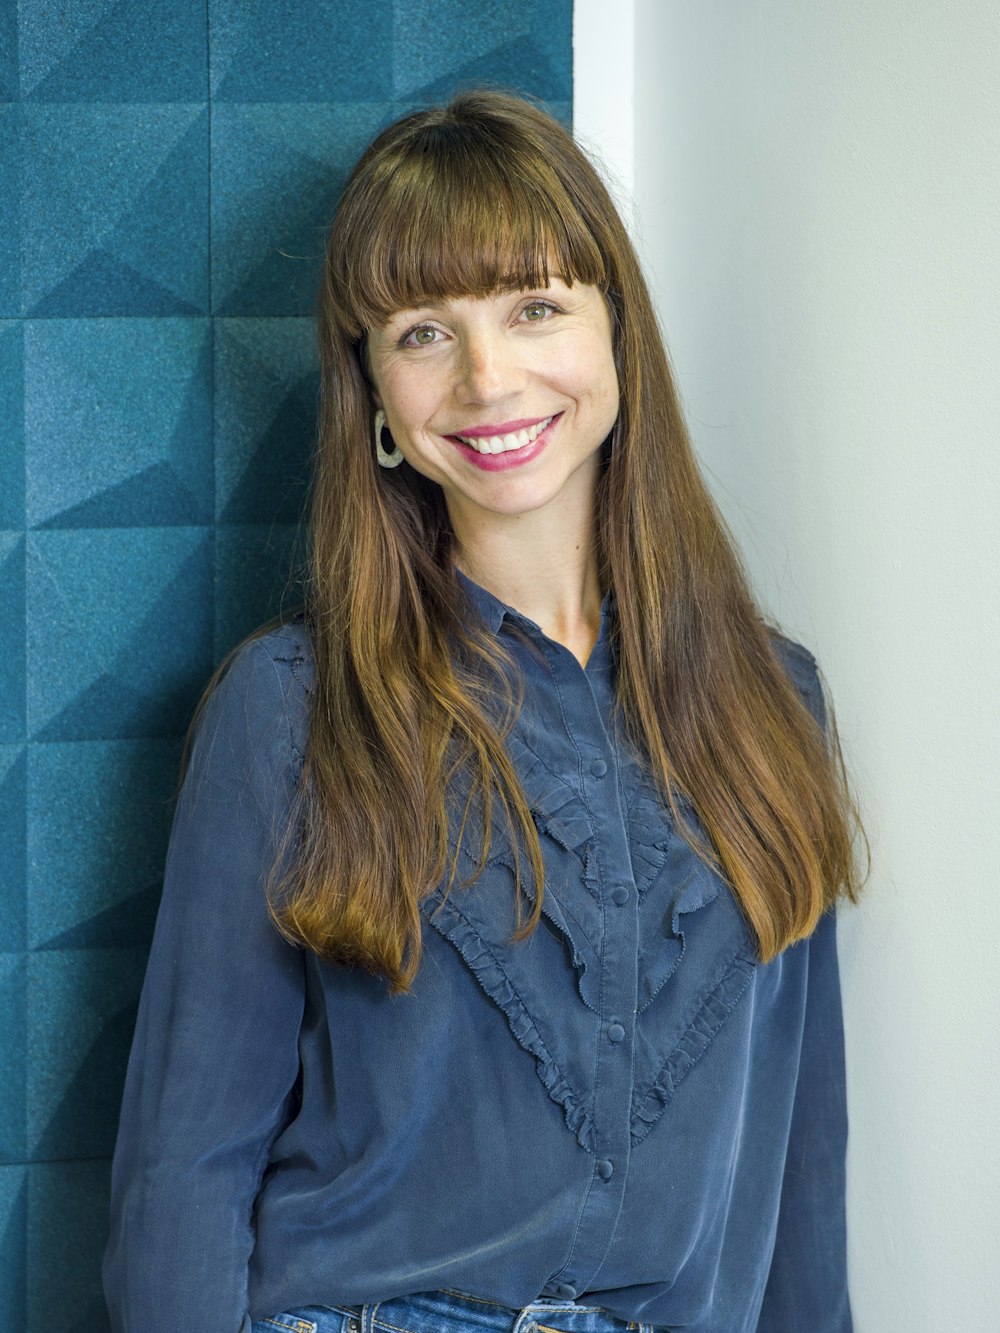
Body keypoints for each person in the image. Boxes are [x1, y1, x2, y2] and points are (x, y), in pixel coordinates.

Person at [103, 91, 865, 1333]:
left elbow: (801, 1169)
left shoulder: (775, 699)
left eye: (534, 307)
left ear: (617, 330)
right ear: (378, 401)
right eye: (421, 332)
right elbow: (183, 1172)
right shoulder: (290, 710)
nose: (485, 378)